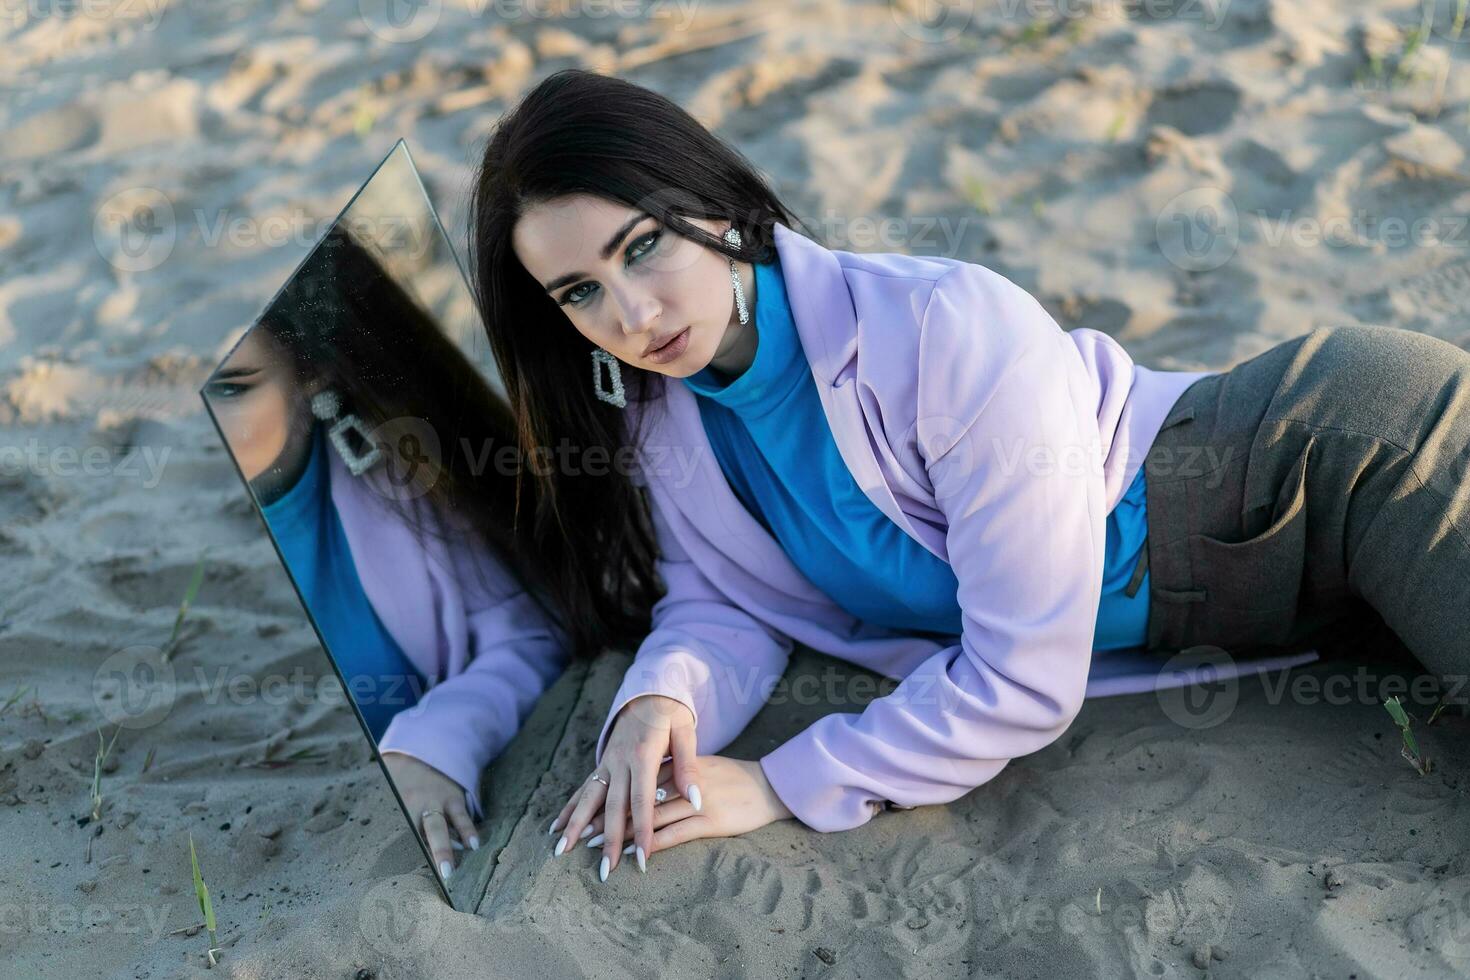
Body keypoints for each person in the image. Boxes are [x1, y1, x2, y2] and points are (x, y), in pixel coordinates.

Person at [465, 68, 1470, 883]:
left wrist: (782, 779)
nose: (634, 315)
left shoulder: (942, 326)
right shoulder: (661, 420)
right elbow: (731, 600)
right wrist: (664, 704)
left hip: (1346, 462)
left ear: (717, 209)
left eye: (645, 246)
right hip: (1292, 600)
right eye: (582, 291)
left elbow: (1025, 680)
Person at [205, 226, 572, 883]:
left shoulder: (401, 471)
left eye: (233, 387)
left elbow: (532, 634)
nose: (214, 424)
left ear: (308, 372)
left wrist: (435, 743)